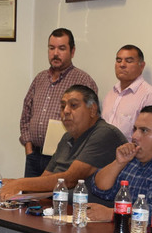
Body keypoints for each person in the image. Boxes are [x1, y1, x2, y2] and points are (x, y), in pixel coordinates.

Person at [0, 85, 125, 199]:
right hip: (57, 204)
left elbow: (70, 180)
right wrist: (12, 185)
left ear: (92, 110)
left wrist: (19, 184)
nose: (66, 111)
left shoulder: (104, 133)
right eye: (63, 106)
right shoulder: (67, 137)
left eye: (73, 105)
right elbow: (44, 179)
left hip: (85, 210)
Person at [18, 29, 98, 177]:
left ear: (72, 51)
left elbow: (90, 123)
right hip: (34, 156)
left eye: (61, 48)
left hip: (63, 159)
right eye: (51, 48)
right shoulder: (40, 79)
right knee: (28, 192)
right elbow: (26, 116)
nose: (55, 53)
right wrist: (29, 149)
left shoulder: (83, 81)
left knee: (56, 193)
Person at [88, 105, 152, 208]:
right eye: (135, 129)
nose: (134, 136)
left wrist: (111, 214)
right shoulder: (133, 159)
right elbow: (99, 189)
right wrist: (118, 163)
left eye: (144, 130)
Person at [101, 45, 152, 137]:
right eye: (119, 60)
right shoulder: (111, 94)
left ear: (142, 66)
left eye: (129, 61)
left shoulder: (149, 95)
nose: (122, 65)